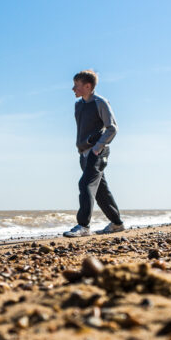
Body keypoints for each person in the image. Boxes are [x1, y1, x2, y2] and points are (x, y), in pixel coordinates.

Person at [63, 70, 125, 237]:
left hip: (98, 152)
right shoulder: (78, 105)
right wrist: (82, 148)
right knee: (99, 190)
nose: (73, 89)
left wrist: (98, 146)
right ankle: (117, 223)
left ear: (88, 86)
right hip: (83, 153)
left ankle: (83, 226)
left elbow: (112, 127)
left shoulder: (100, 102)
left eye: (76, 85)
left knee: (85, 184)